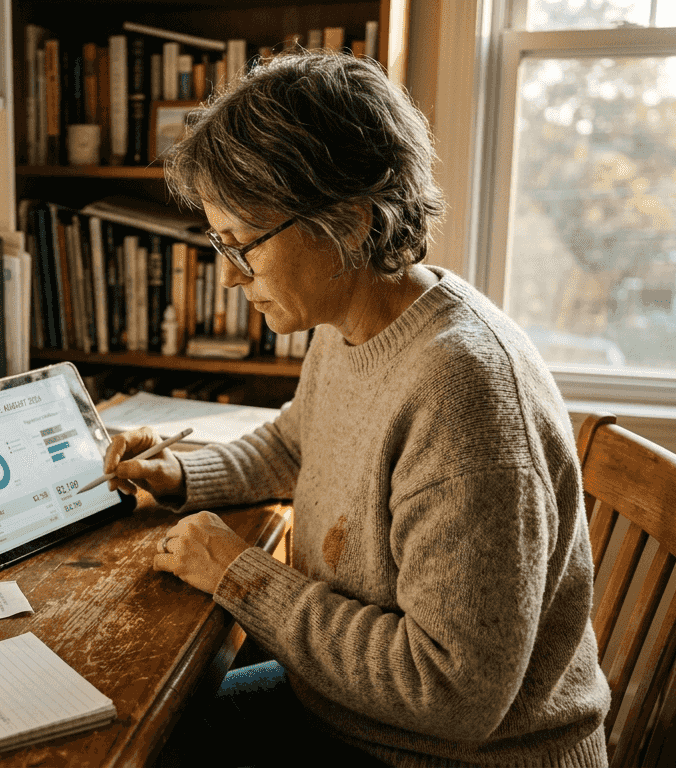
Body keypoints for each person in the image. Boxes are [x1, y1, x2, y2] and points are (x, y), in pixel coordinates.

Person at [102, 51, 611, 767]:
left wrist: (239, 574)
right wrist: (182, 475)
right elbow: (293, 444)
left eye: (244, 245)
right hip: (353, 714)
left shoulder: (462, 392)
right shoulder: (357, 320)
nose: (229, 276)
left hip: (448, 754)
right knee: (138, 727)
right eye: (220, 244)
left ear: (348, 218)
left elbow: (454, 691)